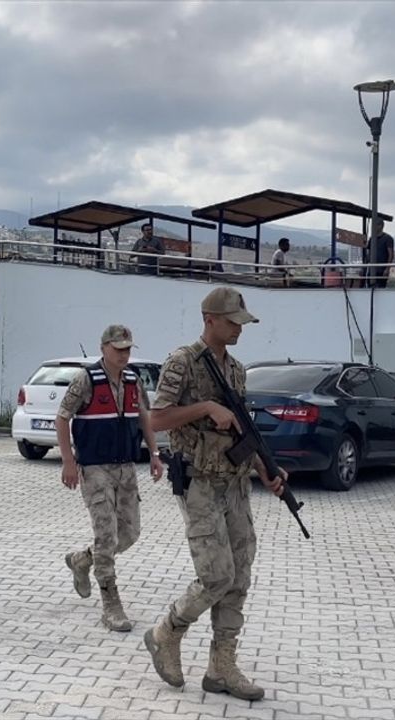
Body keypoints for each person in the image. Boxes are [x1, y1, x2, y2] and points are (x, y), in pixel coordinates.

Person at [142, 287, 287, 702]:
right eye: (232, 322)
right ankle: (166, 631)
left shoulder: (237, 369)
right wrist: (206, 407)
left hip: (236, 483)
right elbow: (157, 417)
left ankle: (221, 666)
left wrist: (267, 471)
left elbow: (241, 430)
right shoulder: (182, 362)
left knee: (239, 575)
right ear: (209, 319)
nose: (239, 329)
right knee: (216, 575)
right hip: (200, 483)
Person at [58, 325, 164, 632]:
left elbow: (144, 415)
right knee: (106, 536)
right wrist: (68, 460)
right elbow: (63, 416)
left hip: (126, 467)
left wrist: (155, 454)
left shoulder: (133, 380)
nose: (124, 355)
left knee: (128, 534)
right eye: (118, 349)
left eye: (128, 349)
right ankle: (111, 605)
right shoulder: (86, 379)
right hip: (95, 469)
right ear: (104, 348)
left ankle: (82, 559)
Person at [365, 218, 394, 289]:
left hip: (382, 269)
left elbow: (391, 254)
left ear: (381, 226)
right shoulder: (372, 239)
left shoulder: (388, 238)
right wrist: (364, 267)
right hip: (371, 269)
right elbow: (369, 253)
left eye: (375, 225)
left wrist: (387, 269)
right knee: (370, 287)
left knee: (380, 288)